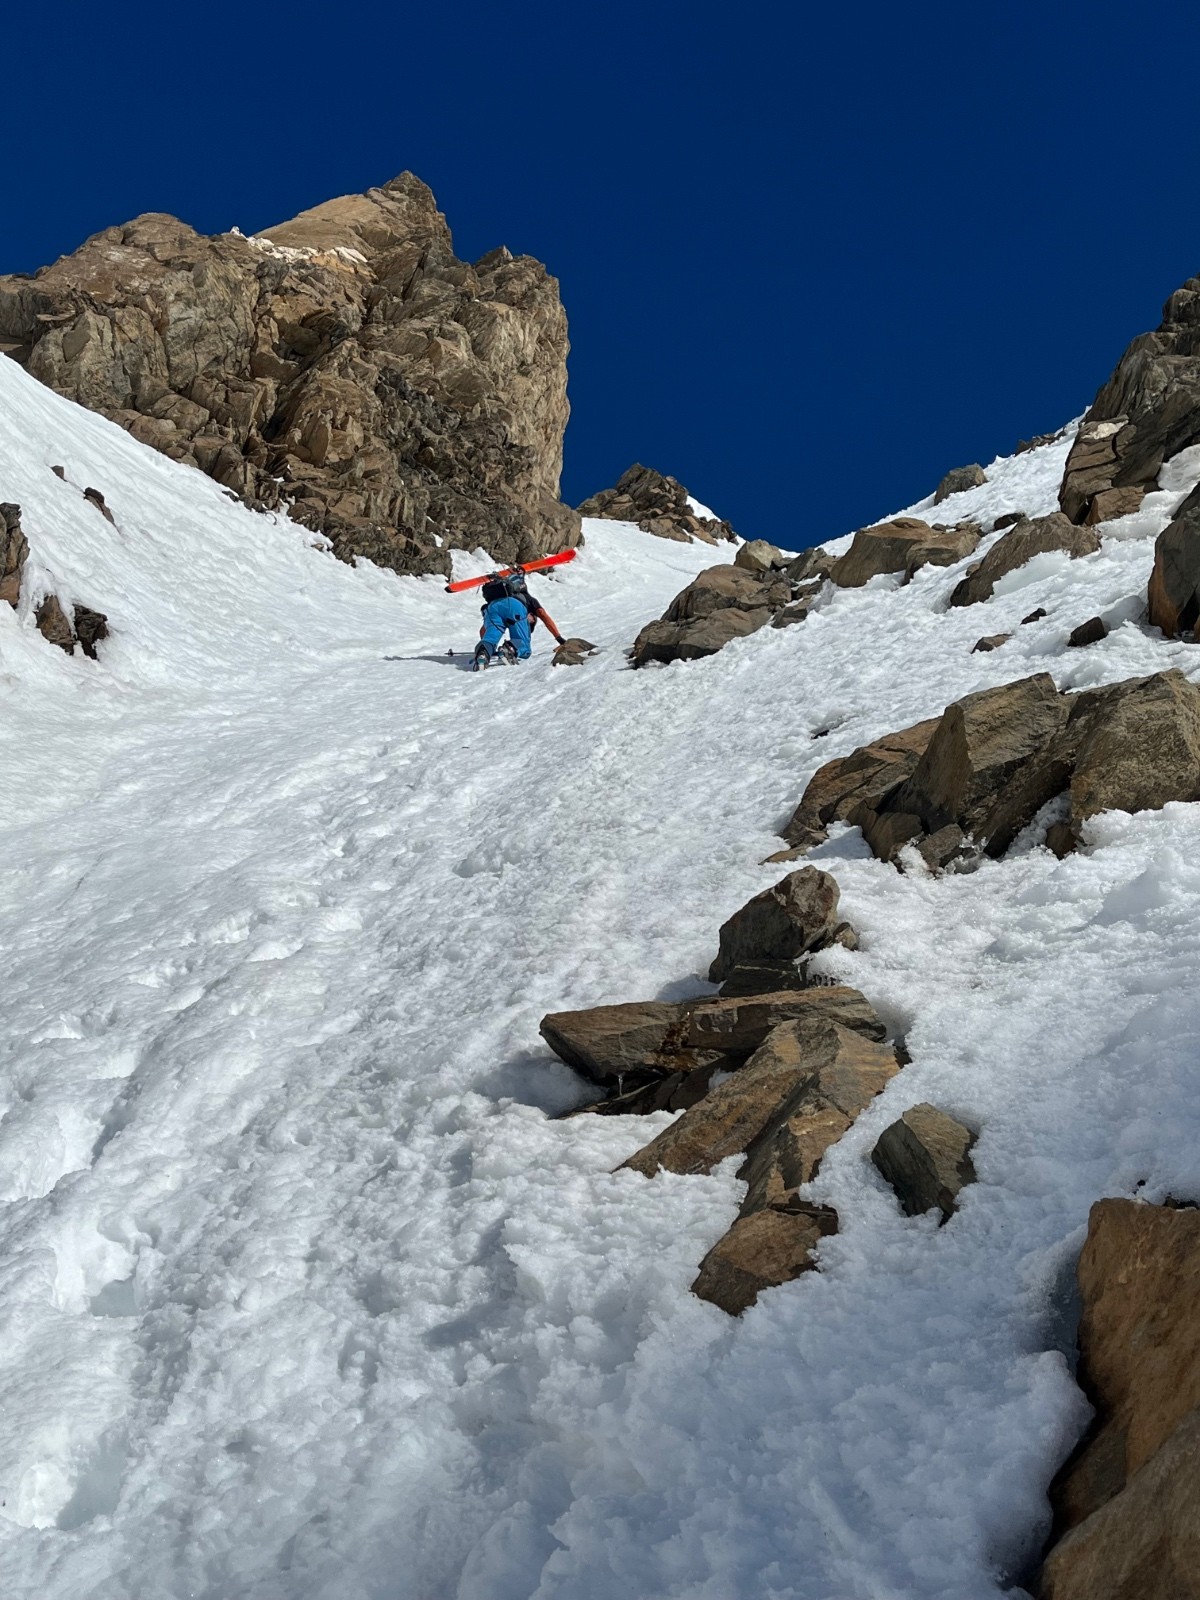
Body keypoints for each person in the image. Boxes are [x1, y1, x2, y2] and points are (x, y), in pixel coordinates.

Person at [473, 571, 567, 669]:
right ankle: (511, 649)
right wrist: (559, 638)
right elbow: (543, 614)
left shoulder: (499, 596)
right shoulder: (529, 599)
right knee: (524, 647)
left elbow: (483, 630)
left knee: (490, 638)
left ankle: (483, 653)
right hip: (513, 607)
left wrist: (489, 646)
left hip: (491, 608)